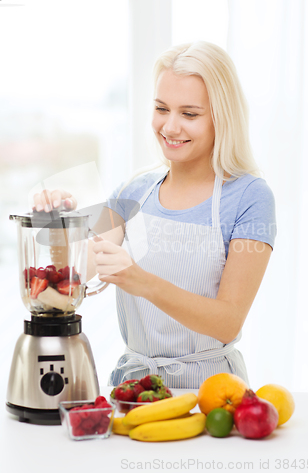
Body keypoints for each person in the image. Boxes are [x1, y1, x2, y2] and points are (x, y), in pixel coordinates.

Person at [33, 41, 276, 389]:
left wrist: (141, 281)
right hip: (136, 389)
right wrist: (60, 223)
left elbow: (228, 322)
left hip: (213, 390)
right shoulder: (133, 191)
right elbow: (73, 277)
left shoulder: (250, 197)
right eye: (162, 108)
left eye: (189, 114)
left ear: (222, 116)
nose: (170, 127)